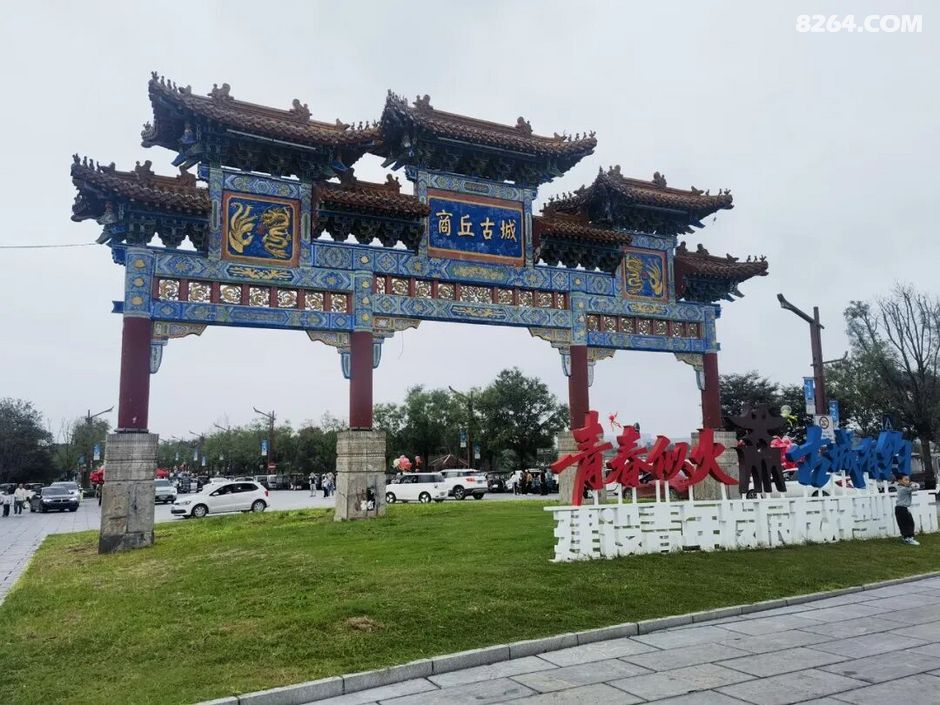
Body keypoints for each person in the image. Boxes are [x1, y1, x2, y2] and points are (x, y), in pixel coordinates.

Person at [895, 473, 920, 545]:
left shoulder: (901, 487)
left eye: (908, 480)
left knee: (907, 523)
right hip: (902, 508)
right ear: (900, 481)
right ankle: (909, 538)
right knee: (907, 524)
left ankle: (907, 538)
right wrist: (912, 484)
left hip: (902, 508)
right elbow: (916, 487)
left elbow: (915, 487)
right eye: (905, 480)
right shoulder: (903, 489)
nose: (908, 481)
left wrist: (911, 484)